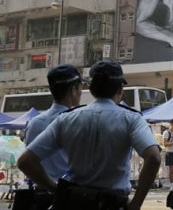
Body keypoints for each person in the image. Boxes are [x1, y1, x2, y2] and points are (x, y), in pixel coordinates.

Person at [17, 61, 161, 210]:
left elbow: (25, 161)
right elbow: (154, 157)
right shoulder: (131, 118)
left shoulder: (66, 119)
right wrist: (136, 204)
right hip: (113, 204)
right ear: (120, 89)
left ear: (91, 89)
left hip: (74, 203)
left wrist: (56, 189)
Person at [20, 64, 83, 209]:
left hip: (38, 199)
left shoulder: (34, 123)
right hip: (67, 199)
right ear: (73, 90)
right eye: (80, 88)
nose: (81, 93)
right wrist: (56, 189)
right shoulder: (76, 122)